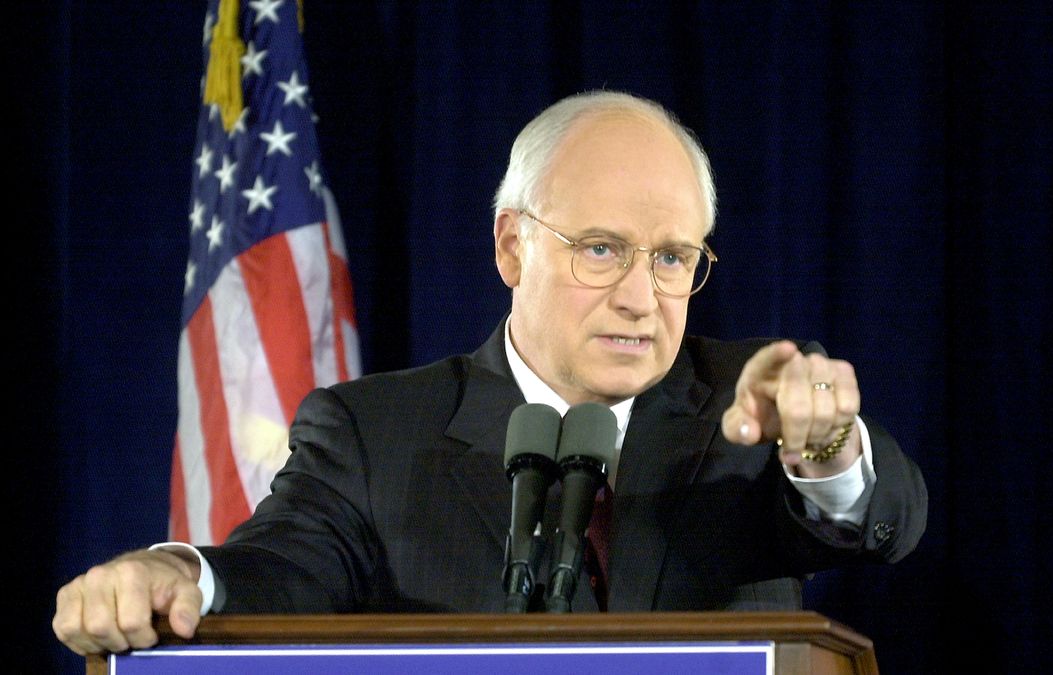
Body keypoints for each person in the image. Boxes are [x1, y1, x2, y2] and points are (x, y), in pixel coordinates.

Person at [53, 90, 927, 656]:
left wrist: (826, 447)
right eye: (601, 249)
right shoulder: (373, 432)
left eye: (671, 257)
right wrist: (175, 573)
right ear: (513, 245)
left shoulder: (743, 409)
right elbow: (279, 569)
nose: (640, 296)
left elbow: (881, 518)